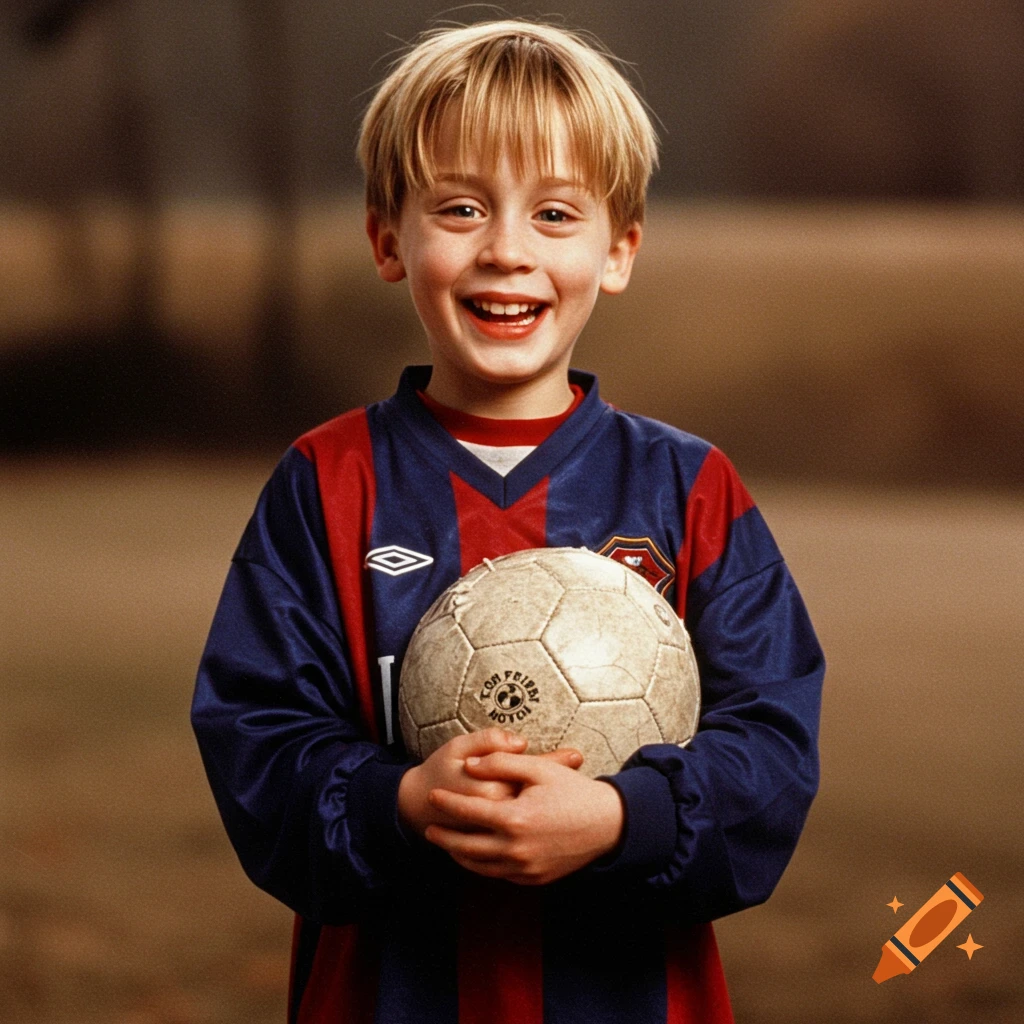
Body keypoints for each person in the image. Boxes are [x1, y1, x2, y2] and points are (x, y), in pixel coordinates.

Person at [192, 19, 824, 1024]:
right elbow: (256, 741)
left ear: (618, 250)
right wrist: (399, 803)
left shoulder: (691, 488)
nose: (505, 250)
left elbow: (773, 752)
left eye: (555, 214)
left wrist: (625, 816)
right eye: (460, 206)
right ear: (386, 237)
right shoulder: (324, 483)